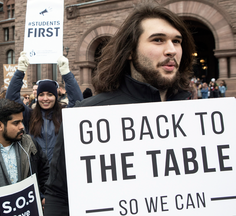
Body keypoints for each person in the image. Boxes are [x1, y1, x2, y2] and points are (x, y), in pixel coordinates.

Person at [44, 2, 195, 215]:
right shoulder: (87, 116)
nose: (171, 50)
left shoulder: (199, 118)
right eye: (158, 40)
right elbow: (59, 195)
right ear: (130, 52)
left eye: (177, 41)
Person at [6, 53, 83, 163]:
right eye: (41, 95)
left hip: (59, 170)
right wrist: (20, 71)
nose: (45, 98)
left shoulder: (63, 115)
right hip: (36, 169)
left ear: (56, 97)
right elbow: (11, 99)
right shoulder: (29, 115)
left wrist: (66, 73)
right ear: (37, 97)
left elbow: (77, 101)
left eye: (50, 95)